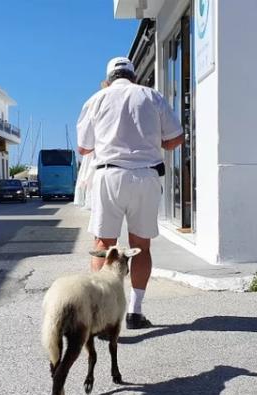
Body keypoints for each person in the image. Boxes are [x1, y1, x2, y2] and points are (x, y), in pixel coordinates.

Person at [76, 57, 184, 329]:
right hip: (145, 176)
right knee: (142, 246)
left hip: (108, 175)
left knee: (103, 244)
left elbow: (83, 148)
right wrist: (149, 141)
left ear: (108, 79)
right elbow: (176, 139)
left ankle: (101, 315)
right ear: (134, 77)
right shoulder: (152, 96)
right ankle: (135, 312)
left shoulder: (96, 99)